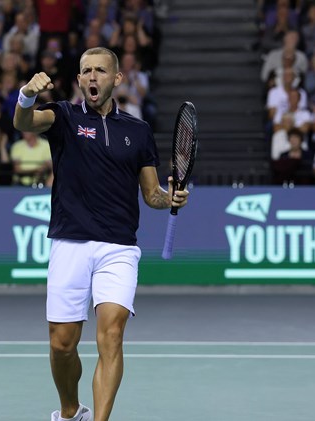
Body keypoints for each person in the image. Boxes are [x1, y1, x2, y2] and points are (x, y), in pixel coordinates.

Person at [13, 47, 189, 421]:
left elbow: (151, 194)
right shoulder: (63, 116)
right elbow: (24, 123)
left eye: (100, 71)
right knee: (62, 344)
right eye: (86, 71)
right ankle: (69, 410)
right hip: (70, 242)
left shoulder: (138, 132)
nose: (93, 77)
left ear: (117, 78)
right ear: (79, 80)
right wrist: (27, 95)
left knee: (111, 334)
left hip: (119, 248)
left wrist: (169, 197)